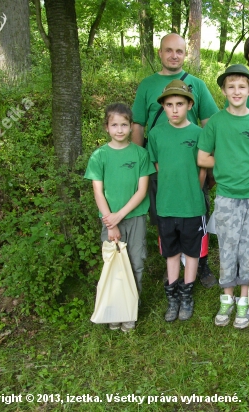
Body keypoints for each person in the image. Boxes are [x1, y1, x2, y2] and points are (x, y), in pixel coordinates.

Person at [131, 32, 219, 288]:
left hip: (192, 164)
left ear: (185, 54)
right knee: (163, 216)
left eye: (179, 51)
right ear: (160, 53)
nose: (174, 55)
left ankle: (200, 264)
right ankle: (172, 264)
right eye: (168, 50)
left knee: (196, 213)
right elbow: (138, 126)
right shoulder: (147, 85)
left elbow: (209, 125)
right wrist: (141, 166)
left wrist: (209, 164)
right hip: (160, 162)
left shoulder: (197, 85)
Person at [197, 64, 249, 329]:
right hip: (227, 197)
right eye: (231, 86)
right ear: (224, 91)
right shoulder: (216, 121)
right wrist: (226, 163)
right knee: (227, 246)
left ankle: (244, 300)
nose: (236, 91)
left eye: (242, 86)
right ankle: (227, 297)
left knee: (247, 247)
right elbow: (203, 156)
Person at [84, 103, 155, 332]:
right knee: (113, 265)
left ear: (131, 126)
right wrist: (110, 221)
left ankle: (130, 310)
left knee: (135, 263)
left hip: (135, 218)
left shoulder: (140, 154)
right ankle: (114, 310)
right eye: (114, 125)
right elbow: (98, 190)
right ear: (106, 127)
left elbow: (142, 191)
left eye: (124, 125)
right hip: (109, 221)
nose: (120, 129)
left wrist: (120, 215)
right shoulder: (99, 156)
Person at [147, 80, 207, 322]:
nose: (174, 110)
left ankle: (187, 295)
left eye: (179, 104)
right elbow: (160, 167)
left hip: (192, 205)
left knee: (192, 252)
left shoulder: (199, 134)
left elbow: (202, 169)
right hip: (167, 205)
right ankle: (172, 297)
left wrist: (193, 190)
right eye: (169, 105)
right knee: (171, 252)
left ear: (189, 105)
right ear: (163, 106)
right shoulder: (156, 134)